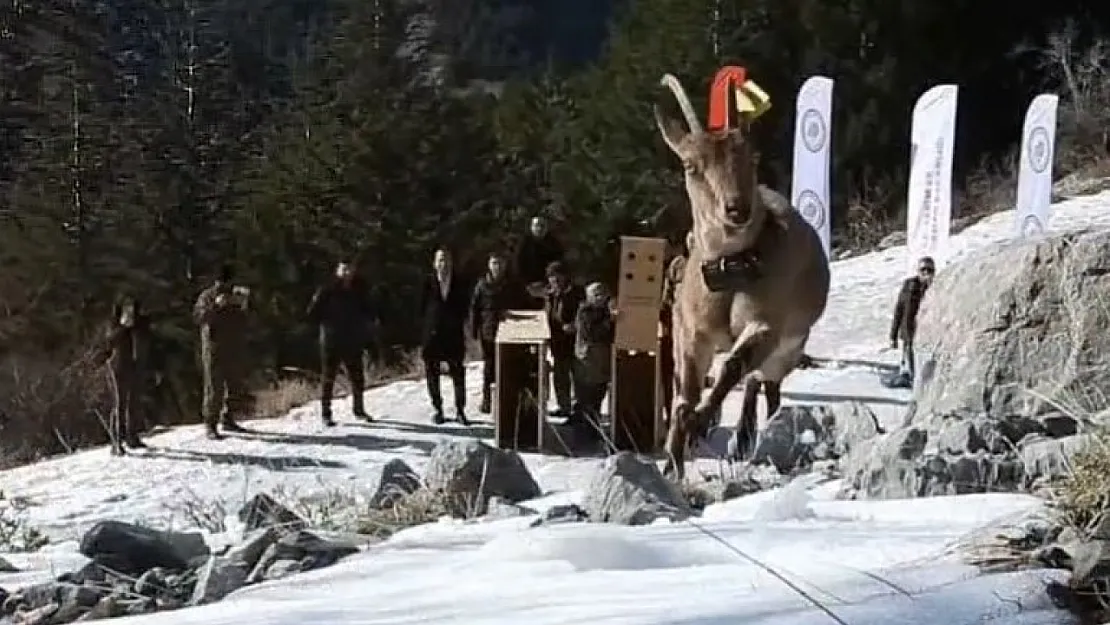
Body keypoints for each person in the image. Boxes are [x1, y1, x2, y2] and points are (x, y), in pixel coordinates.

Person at [306, 261, 377, 426]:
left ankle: (359, 410)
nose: (347, 272)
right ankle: (326, 413)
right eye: (344, 269)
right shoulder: (327, 290)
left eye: (350, 269)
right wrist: (327, 324)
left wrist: (366, 326)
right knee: (328, 377)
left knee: (357, 377)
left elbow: (369, 310)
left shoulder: (359, 289)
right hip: (331, 340)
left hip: (353, 339)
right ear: (337, 270)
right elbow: (312, 312)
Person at [193, 264, 251, 439]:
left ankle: (229, 417)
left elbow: (246, 320)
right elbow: (199, 318)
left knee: (235, 385)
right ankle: (210, 424)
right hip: (214, 348)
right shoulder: (207, 296)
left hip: (234, 346)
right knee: (214, 387)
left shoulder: (235, 296)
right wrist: (216, 306)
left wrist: (245, 303)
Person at [419, 247, 470, 425]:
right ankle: (437, 409)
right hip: (432, 336)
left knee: (458, 373)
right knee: (432, 374)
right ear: (434, 264)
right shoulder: (427, 282)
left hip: (453, 334)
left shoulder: (460, 282)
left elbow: (465, 306)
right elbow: (420, 308)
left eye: (447, 260)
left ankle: (460, 410)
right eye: (440, 260)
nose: (444, 264)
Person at [96, 296, 152, 455]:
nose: (130, 312)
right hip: (118, 367)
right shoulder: (113, 323)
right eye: (126, 309)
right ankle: (116, 441)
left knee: (134, 403)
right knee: (119, 404)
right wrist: (123, 327)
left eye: (132, 309)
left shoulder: (140, 323)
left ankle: (131, 436)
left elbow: (146, 337)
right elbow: (109, 341)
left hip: (135, 366)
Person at [469, 252, 514, 414]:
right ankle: (487, 400)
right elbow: (474, 308)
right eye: (494, 263)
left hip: (509, 331)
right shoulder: (482, 285)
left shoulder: (511, 284)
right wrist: (473, 330)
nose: (497, 266)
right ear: (489, 265)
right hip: (488, 330)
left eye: (500, 263)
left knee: (506, 367)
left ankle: (506, 400)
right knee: (489, 368)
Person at [572, 282, 617, 438]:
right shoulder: (585, 312)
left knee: (598, 395)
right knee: (586, 397)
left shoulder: (606, 311)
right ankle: (585, 430)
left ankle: (593, 427)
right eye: (596, 295)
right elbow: (591, 334)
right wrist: (609, 322)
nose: (600, 298)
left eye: (602, 294)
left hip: (602, 360)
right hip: (588, 360)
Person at [887, 256, 936, 388]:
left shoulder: (936, 288)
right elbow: (899, 311)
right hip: (909, 332)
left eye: (929, 270)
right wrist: (893, 335)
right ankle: (908, 378)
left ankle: (919, 383)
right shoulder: (909, 286)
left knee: (923, 364)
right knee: (909, 359)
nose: (926, 273)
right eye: (923, 269)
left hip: (927, 334)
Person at [544, 261, 584, 417]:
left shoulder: (577, 293)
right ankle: (564, 406)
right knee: (560, 375)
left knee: (577, 376)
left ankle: (578, 409)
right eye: (552, 277)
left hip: (575, 340)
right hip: (557, 340)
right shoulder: (550, 295)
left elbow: (585, 314)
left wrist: (576, 325)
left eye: (557, 277)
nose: (555, 281)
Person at [659, 235, 689, 426]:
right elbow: (667, 294)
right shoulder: (677, 264)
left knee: (690, 378)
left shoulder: (706, 261)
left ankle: (690, 421)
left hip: (695, 333)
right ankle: (671, 416)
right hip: (673, 327)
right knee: (669, 374)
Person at [514, 215, 564, 310]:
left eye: (542, 225)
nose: (539, 228)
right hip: (527, 285)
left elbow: (559, 266)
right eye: (537, 225)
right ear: (531, 227)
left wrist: (550, 283)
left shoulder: (554, 244)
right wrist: (527, 284)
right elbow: (517, 265)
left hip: (549, 285)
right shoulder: (523, 244)